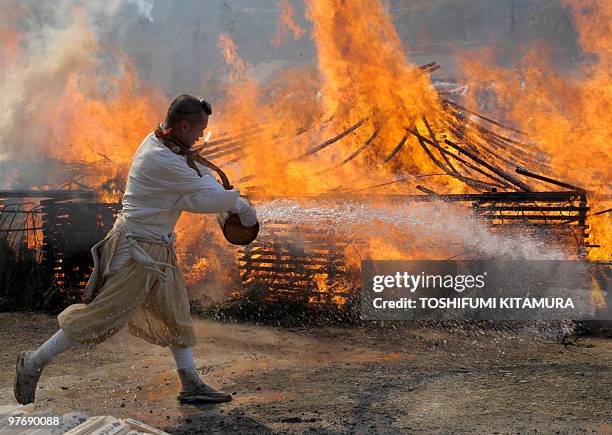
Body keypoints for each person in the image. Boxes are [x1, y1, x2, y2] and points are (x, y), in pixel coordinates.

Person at [14, 94, 257, 405]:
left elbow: (196, 185)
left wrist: (232, 201)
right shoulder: (160, 159)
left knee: (175, 314)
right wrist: (242, 207)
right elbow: (207, 195)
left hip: (158, 250)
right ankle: (33, 362)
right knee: (100, 317)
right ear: (182, 126)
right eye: (199, 129)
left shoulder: (164, 143)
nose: (201, 135)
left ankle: (191, 383)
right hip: (137, 254)